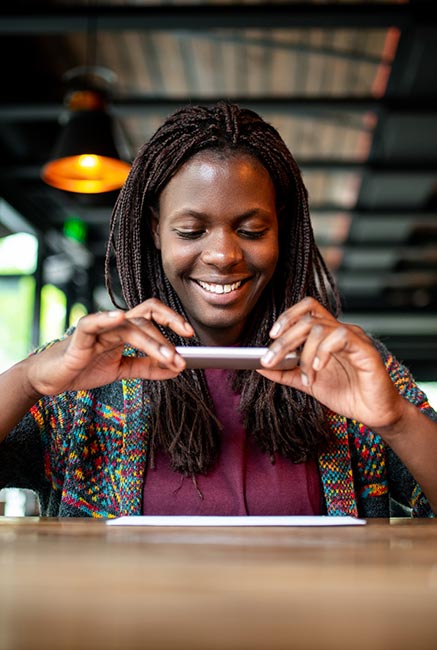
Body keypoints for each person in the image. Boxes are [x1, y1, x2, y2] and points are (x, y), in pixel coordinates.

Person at [0, 101, 436, 519]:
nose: (224, 254)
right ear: (156, 230)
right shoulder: (85, 374)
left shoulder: (347, 364)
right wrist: (27, 381)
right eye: (191, 231)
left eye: (251, 229)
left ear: (279, 229)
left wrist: (397, 420)